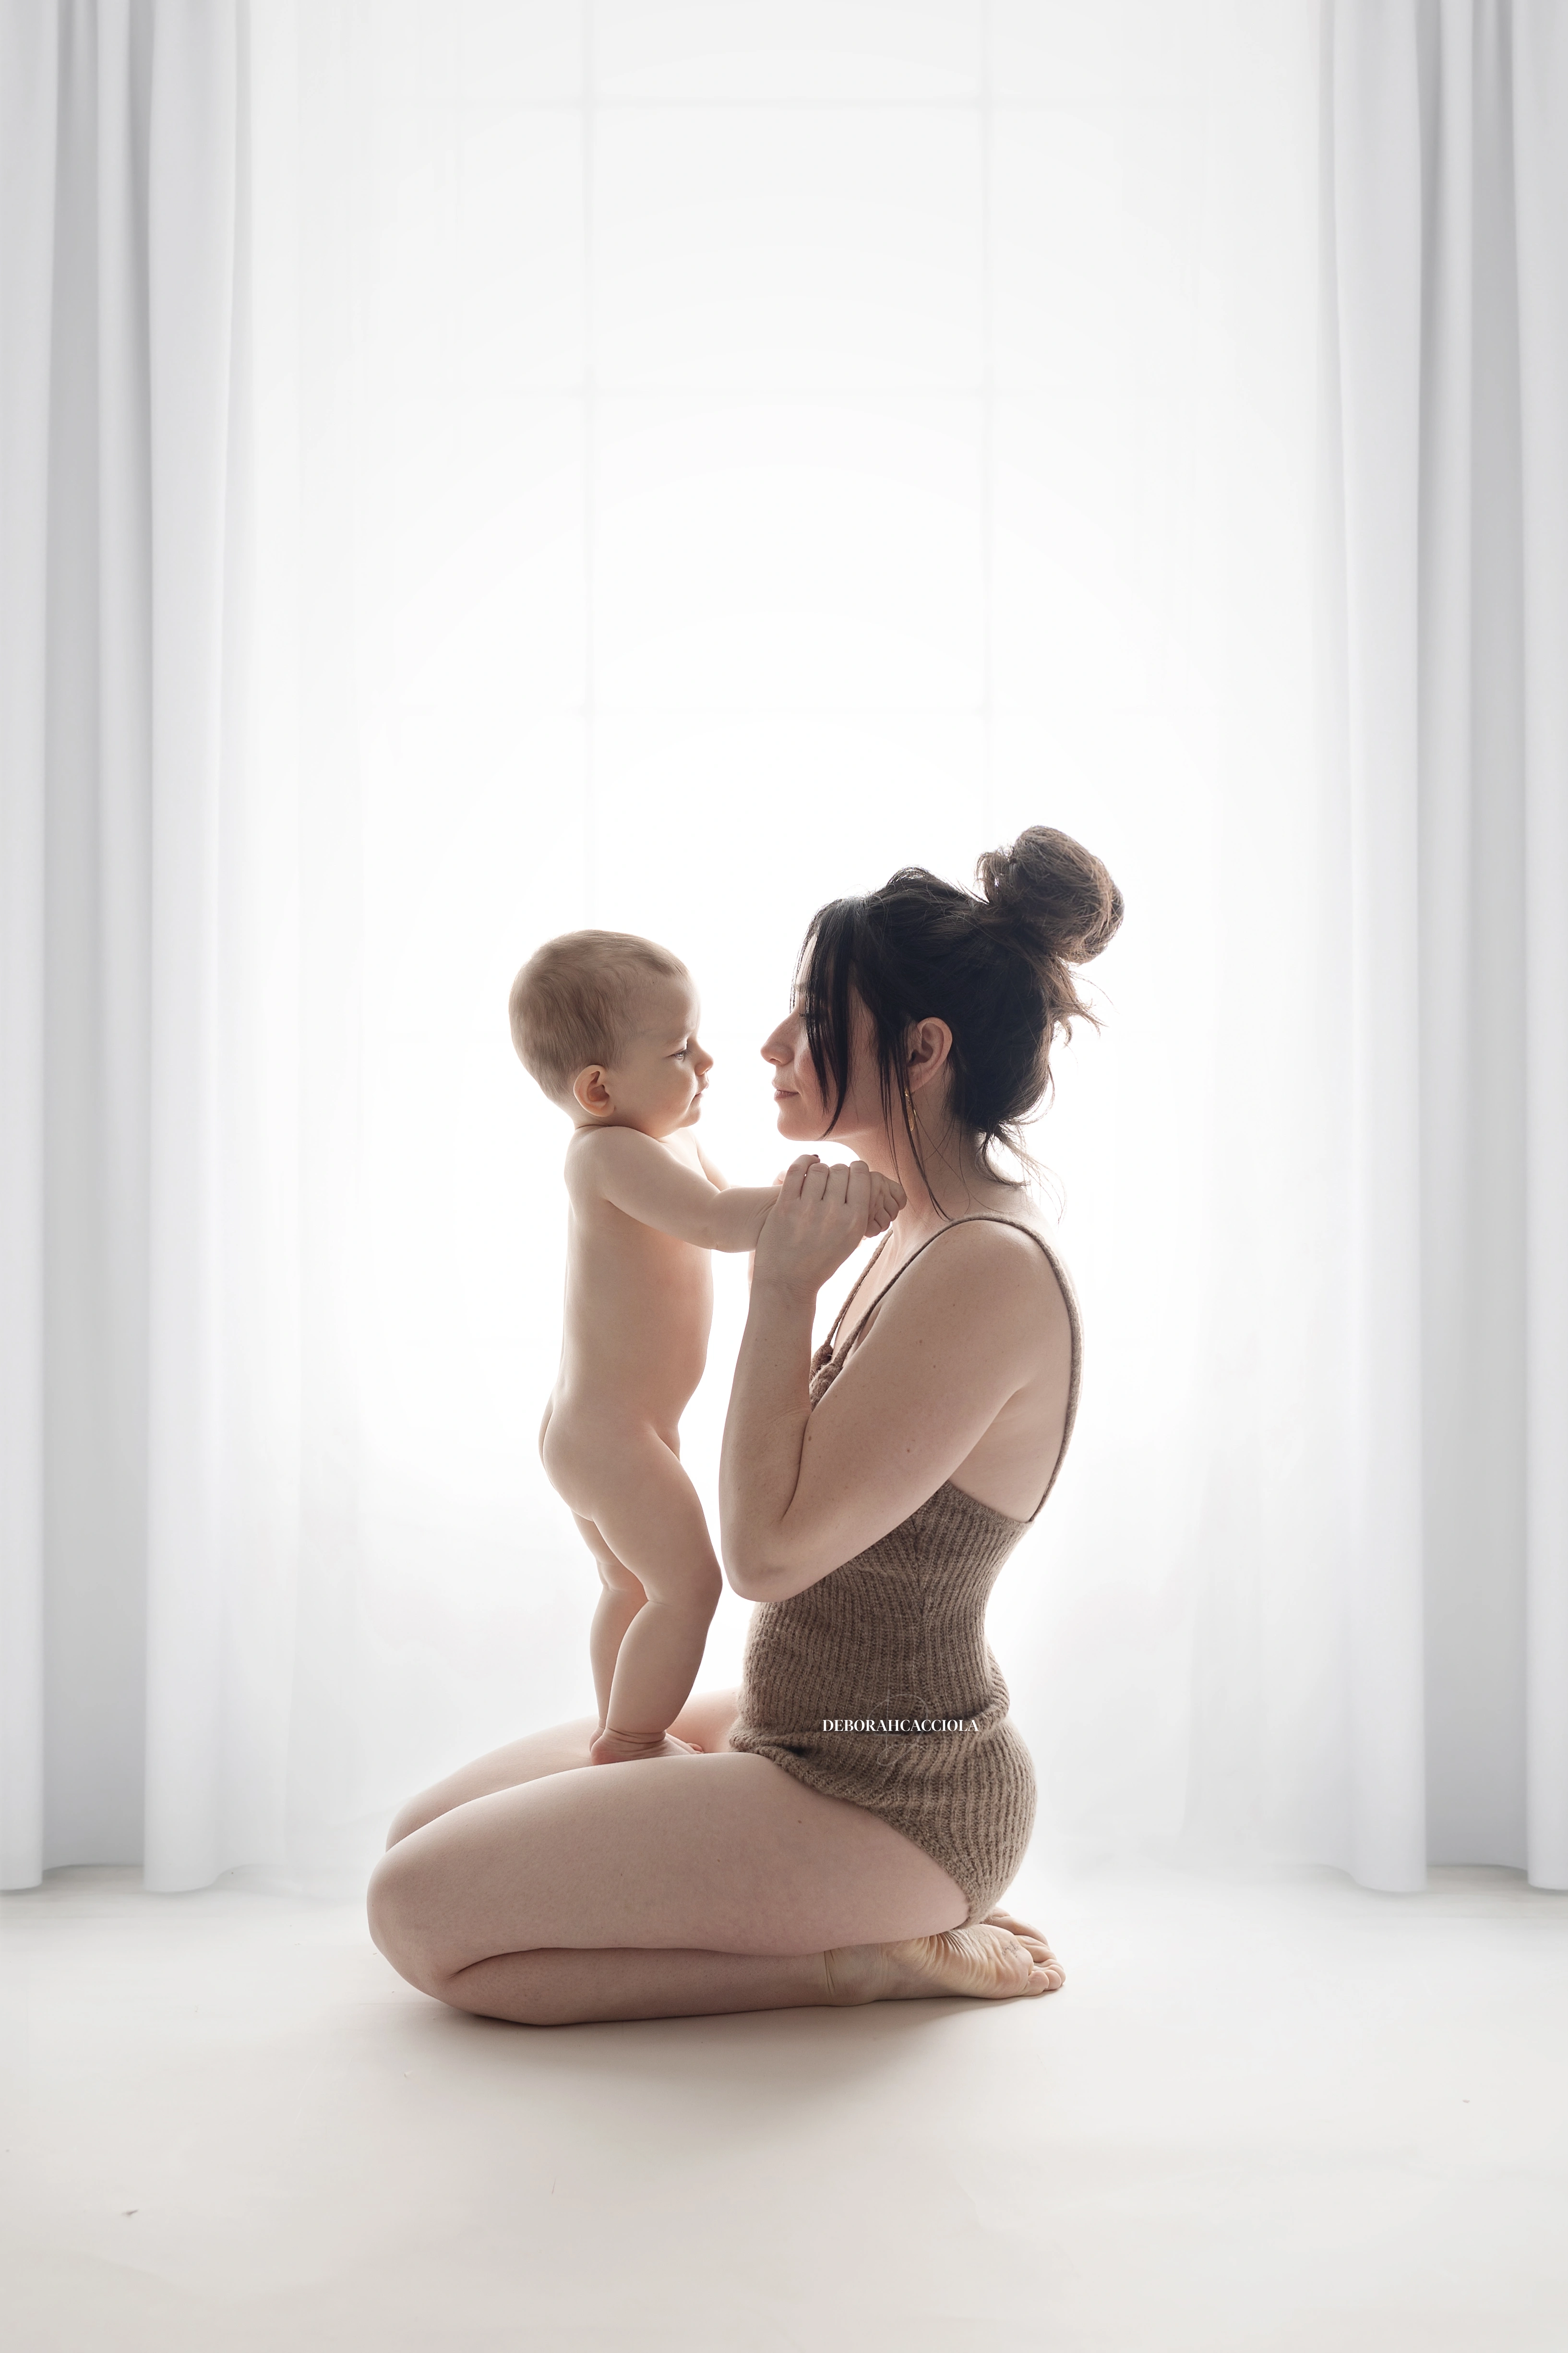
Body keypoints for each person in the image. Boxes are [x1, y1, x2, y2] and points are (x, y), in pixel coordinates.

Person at [369, 826, 1123, 2024]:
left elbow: (765, 1557)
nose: (767, 1049)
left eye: (811, 1020)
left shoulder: (987, 1266)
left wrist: (782, 1282)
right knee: (419, 1838)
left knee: (417, 1915)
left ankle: (865, 1952)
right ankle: (831, 1913)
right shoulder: (914, 1231)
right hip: (803, 1724)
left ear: (922, 1053)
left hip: (898, 1787)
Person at [508, 927, 906, 1766]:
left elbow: (743, 1214)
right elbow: (722, 1223)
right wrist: (844, 1194)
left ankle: (617, 1719)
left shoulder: (670, 1143)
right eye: (681, 1049)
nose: (709, 1063)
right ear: (598, 1086)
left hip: (612, 1429)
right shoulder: (608, 1154)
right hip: (609, 1437)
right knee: (688, 1588)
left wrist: (802, 1230)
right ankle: (631, 1742)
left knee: (631, 1584)